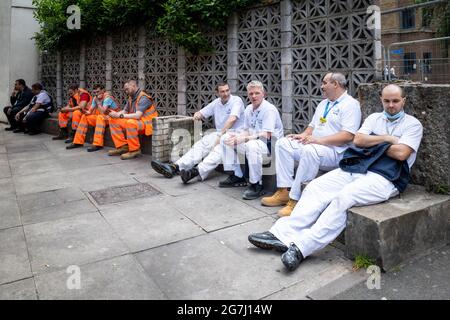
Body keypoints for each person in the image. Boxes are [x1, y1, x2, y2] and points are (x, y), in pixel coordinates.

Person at [248, 84, 423, 272]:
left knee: (345, 197)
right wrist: (387, 139)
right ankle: (281, 234)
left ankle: (301, 247)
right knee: (316, 187)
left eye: (395, 101)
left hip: (386, 177)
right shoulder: (374, 118)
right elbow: (357, 140)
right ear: (381, 99)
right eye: (387, 101)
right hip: (358, 167)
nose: (390, 105)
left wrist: (371, 144)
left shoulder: (412, 124)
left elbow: (401, 153)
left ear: (403, 100)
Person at [261, 73, 361, 217]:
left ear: (335, 84)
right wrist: (302, 135)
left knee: (309, 150)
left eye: (324, 83)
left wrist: (317, 140)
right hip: (316, 146)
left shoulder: (351, 104)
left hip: (336, 153)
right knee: (283, 143)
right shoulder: (324, 103)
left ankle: (296, 200)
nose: (321, 86)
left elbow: (347, 136)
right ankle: (284, 190)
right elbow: (312, 126)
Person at [150, 82, 245, 183]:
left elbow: (232, 119)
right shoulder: (216, 103)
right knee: (201, 144)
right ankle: (175, 167)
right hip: (220, 133)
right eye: (222, 91)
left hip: (236, 135)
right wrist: (197, 114)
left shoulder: (236, 101)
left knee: (218, 150)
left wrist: (220, 136)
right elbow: (202, 113)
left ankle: (195, 171)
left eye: (227, 90)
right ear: (217, 93)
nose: (226, 94)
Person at [220, 80, 283, 200]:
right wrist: (238, 137)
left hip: (271, 145)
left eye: (257, 93)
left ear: (263, 94)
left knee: (251, 145)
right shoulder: (248, 109)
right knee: (225, 138)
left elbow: (267, 134)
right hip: (256, 141)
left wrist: (244, 139)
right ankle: (237, 175)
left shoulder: (269, 109)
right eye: (251, 94)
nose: (254, 96)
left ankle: (256, 184)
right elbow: (247, 129)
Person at [107, 80, 158, 160]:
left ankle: (135, 150)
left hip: (147, 124)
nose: (126, 92)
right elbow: (125, 111)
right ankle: (123, 146)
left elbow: (138, 116)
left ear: (133, 85)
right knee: (113, 120)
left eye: (127, 89)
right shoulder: (131, 98)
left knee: (130, 123)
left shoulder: (143, 97)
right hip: (137, 122)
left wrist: (119, 115)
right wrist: (114, 115)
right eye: (125, 90)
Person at [66, 84, 121, 152]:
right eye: (94, 92)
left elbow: (103, 112)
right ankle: (78, 142)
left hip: (113, 118)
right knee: (85, 117)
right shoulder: (96, 98)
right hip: (104, 117)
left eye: (98, 92)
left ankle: (98, 144)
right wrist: (85, 112)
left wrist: (98, 103)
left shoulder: (107, 98)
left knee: (100, 117)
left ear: (103, 91)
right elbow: (90, 111)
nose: (96, 94)